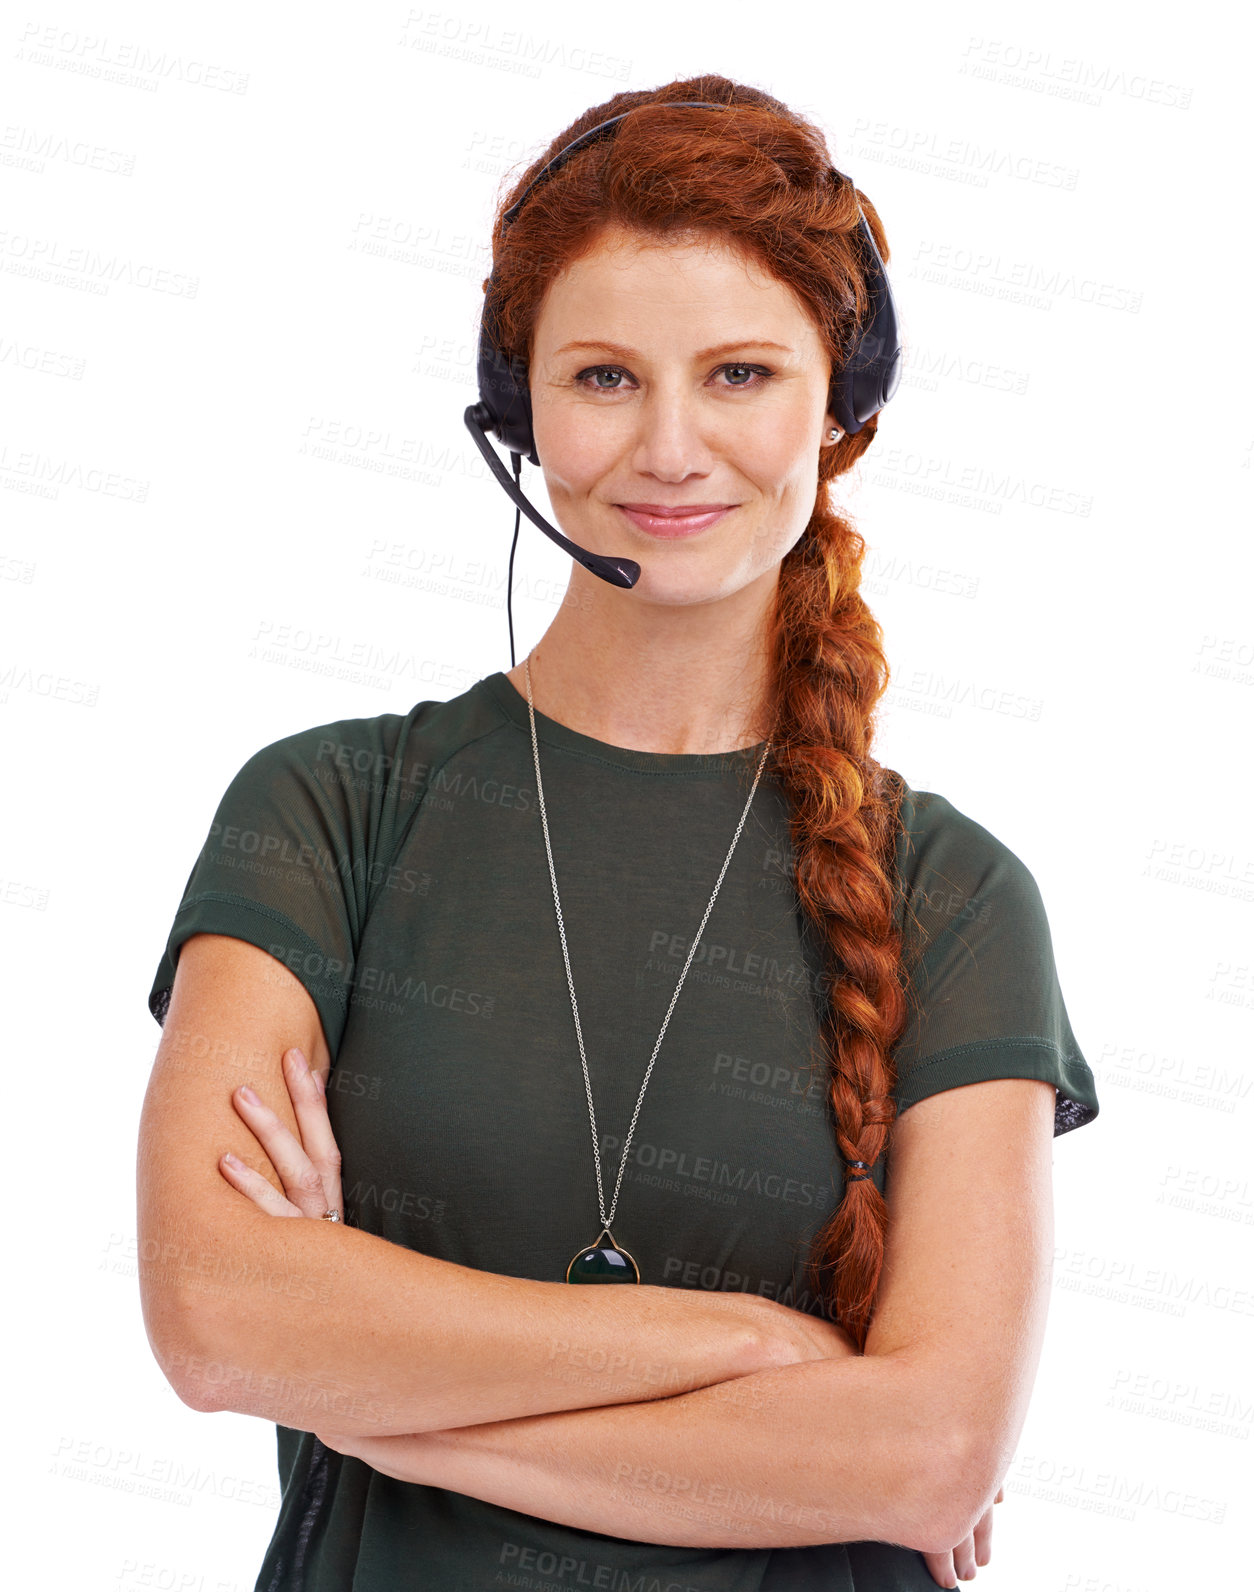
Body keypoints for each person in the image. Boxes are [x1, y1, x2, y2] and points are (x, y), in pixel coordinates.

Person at [136, 74, 1100, 1592]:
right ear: (514, 405)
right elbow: (217, 1321)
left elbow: (923, 1456)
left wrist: (380, 1403)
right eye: (600, 378)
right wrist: (743, 1348)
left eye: (736, 375)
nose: (667, 450)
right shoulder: (328, 810)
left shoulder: (954, 897)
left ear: (837, 409)